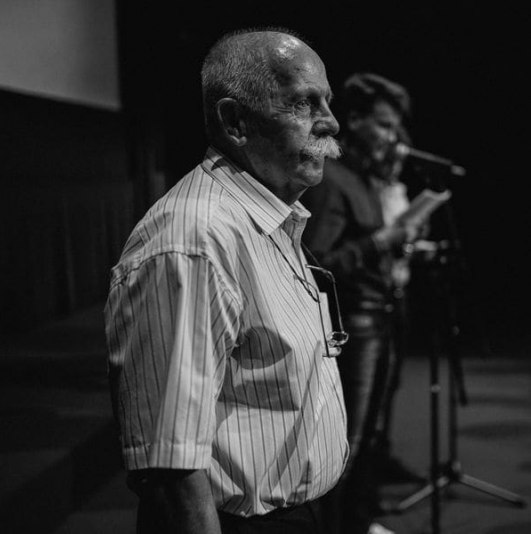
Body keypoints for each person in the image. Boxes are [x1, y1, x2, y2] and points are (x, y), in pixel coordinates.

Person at [104, 28, 348, 533]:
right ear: (235, 121)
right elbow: (170, 466)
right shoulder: (195, 238)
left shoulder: (267, 215)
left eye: (327, 101)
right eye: (304, 103)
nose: (331, 122)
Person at [301, 72, 426, 534]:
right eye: (384, 125)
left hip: (380, 316)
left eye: (395, 127)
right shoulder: (332, 180)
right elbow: (316, 264)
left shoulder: (364, 179)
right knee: (347, 444)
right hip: (355, 325)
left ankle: (358, 522)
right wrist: (381, 242)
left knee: (369, 437)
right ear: (353, 121)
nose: (393, 137)